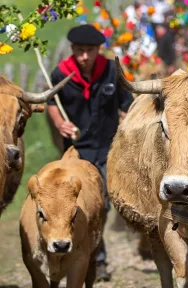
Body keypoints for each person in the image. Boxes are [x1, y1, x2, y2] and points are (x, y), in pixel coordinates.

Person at [47, 25, 133, 281]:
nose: (85, 57)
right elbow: (51, 102)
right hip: (75, 151)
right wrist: (59, 122)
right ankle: (95, 258)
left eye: (90, 51)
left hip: (107, 148)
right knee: (76, 205)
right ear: (73, 50)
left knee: (103, 205)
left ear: (98, 50)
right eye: (80, 51)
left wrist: (125, 129)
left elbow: (126, 105)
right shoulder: (60, 74)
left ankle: (93, 251)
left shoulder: (111, 72)